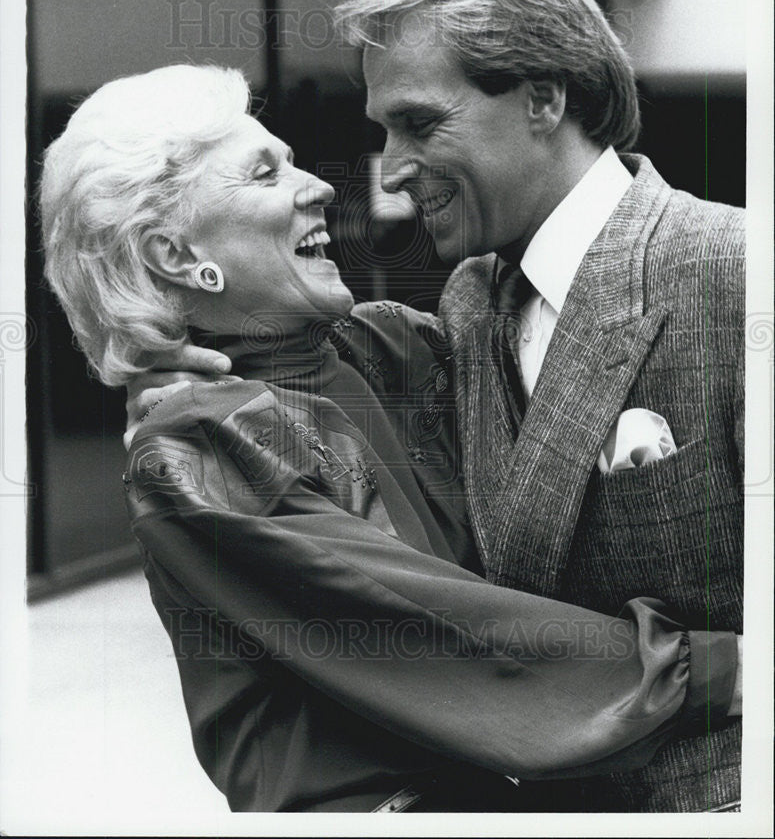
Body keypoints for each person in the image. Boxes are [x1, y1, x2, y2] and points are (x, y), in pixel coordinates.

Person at [40, 64, 741, 813]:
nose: (316, 187)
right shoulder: (197, 445)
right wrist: (721, 671)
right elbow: (452, 642)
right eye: (263, 173)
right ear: (176, 256)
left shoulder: (388, 347)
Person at [332, 0, 745, 812]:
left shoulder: (735, 273)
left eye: (418, 124)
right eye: (383, 130)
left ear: (543, 97)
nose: (393, 171)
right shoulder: (469, 299)